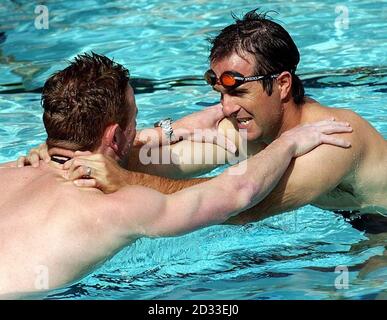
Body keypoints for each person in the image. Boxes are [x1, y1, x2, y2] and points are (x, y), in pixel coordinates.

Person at [0, 53, 352, 297]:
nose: (138, 129)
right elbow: (238, 192)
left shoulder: (13, 169)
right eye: (134, 121)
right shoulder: (117, 206)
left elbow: (124, 145)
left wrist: (175, 129)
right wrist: (289, 142)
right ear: (113, 136)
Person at [54, 10, 386, 228]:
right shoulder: (247, 128)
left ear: (282, 84)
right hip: (354, 221)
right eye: (220, 94)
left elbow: (239, 209)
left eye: (238, 92)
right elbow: (159, 165)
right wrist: (68, 155)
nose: (225, 108)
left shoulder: (335, 139)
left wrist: (128, 184)